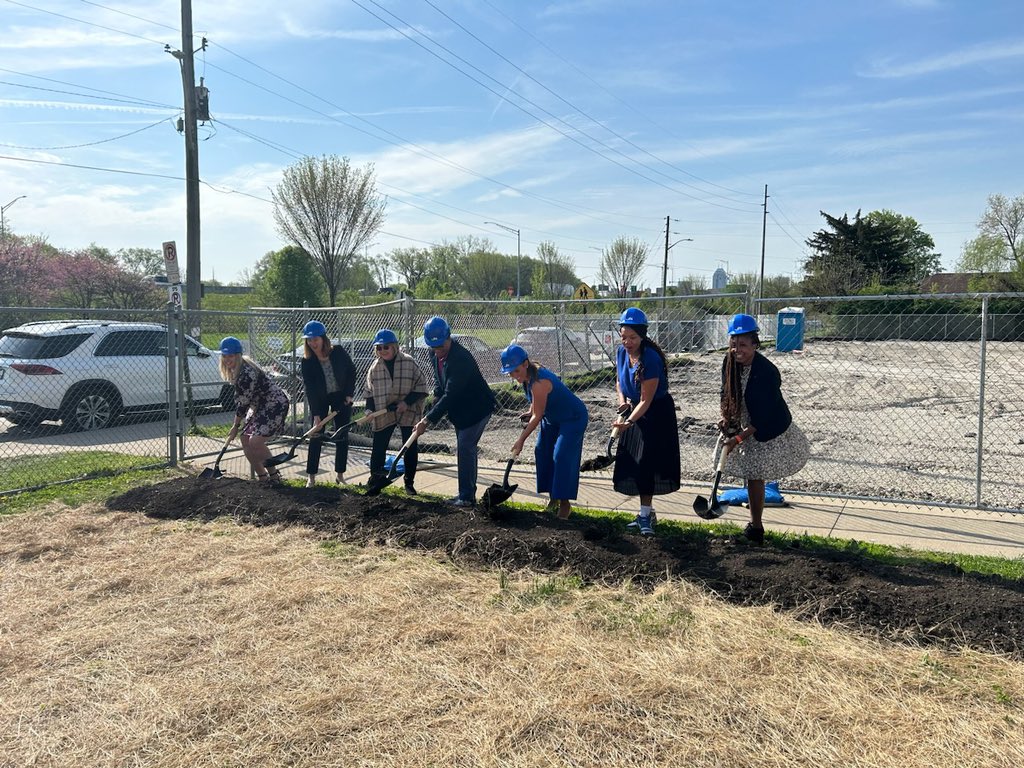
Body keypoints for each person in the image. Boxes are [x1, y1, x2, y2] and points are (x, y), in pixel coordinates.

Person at [719, 313, 810, 544]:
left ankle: (756, 527)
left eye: (743, 345)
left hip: (768, 425)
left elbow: (763, 417)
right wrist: (727, 421)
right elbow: (726, 391)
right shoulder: (729, 362)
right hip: (744, 420)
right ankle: (755, 528)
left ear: (755, 344)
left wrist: (737, 439)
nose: (737, 349)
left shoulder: (767, 372)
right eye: (733, 343)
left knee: (755, 474)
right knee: (750, 472)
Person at [612, 307, 681, 535]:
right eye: (624, 337)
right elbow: (620, 382)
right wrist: (622, 402)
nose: (627, 342)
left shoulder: (650, 358)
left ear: (642, 335)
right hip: (634, 410)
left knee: (647, 464)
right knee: (635, 463)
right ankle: (646, 512)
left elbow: (646, 399)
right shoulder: (622, 353)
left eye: (632, 337)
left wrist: (629, 421)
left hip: (656, 413)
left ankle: (645, 516)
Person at [414, 316, 496, 507]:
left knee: (465, 447)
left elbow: (451, 394)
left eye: (441, 346)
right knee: (466, 449)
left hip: (477, 408)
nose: (438, 350)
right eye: (434, 347)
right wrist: (431, 408)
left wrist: (427, 420)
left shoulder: (461, 358)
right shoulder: (433, 354)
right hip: (461, 411)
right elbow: (439, 385)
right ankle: (467, 493)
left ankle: (466, 497)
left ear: (449, 337)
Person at [502, 344, 589, 519]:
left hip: (572, 418)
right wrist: (530, 410)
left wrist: (520, 441)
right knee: (542, 450)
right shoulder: (528, 375)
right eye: (510, 373)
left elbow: (538, 416)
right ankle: (553, 497)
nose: (514, 376)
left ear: (525, 363)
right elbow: (536, 403)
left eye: (516, 371)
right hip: (553, 417)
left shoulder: (539, 381)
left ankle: (565, 504)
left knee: (562, 455)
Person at [364, 329, 429, 495]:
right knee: (379, 445)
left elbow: (422, 388)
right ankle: (375, 480)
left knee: (409, 445)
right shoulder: (375, 367)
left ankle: (409, 483)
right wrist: (369, 409)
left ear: (395, 347)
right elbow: (369, 392)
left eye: (386, 347)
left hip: (408, 410)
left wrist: (406, 402)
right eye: (379, 348)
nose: (382, 351)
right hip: (384, 411)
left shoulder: (409, 363)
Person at [218, 336, 290, 483]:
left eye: (230, 356)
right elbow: (244, 402)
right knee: (244, 439)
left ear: (238, 355)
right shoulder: (238, 370)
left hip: (274, 404)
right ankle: (262, 477)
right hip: (259, 406)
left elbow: (243, 404)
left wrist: (235, 426)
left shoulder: (247, 373)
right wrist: (237, 426)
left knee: (255, 441)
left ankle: (275, 476)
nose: (227, 359)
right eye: (224, 356)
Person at [299, 320, 356, 487]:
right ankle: (311, 476)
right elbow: (309, 387)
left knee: (342, 435)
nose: (313, 343)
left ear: (323, 339)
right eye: (309, 340)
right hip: (321, 400)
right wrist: (316, 413)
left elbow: (351, 371)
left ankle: (340, 475)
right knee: (316, 435)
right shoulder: (307, 361)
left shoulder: (337, 352)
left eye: (315, 339)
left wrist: (349, 394)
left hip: (341, 398)